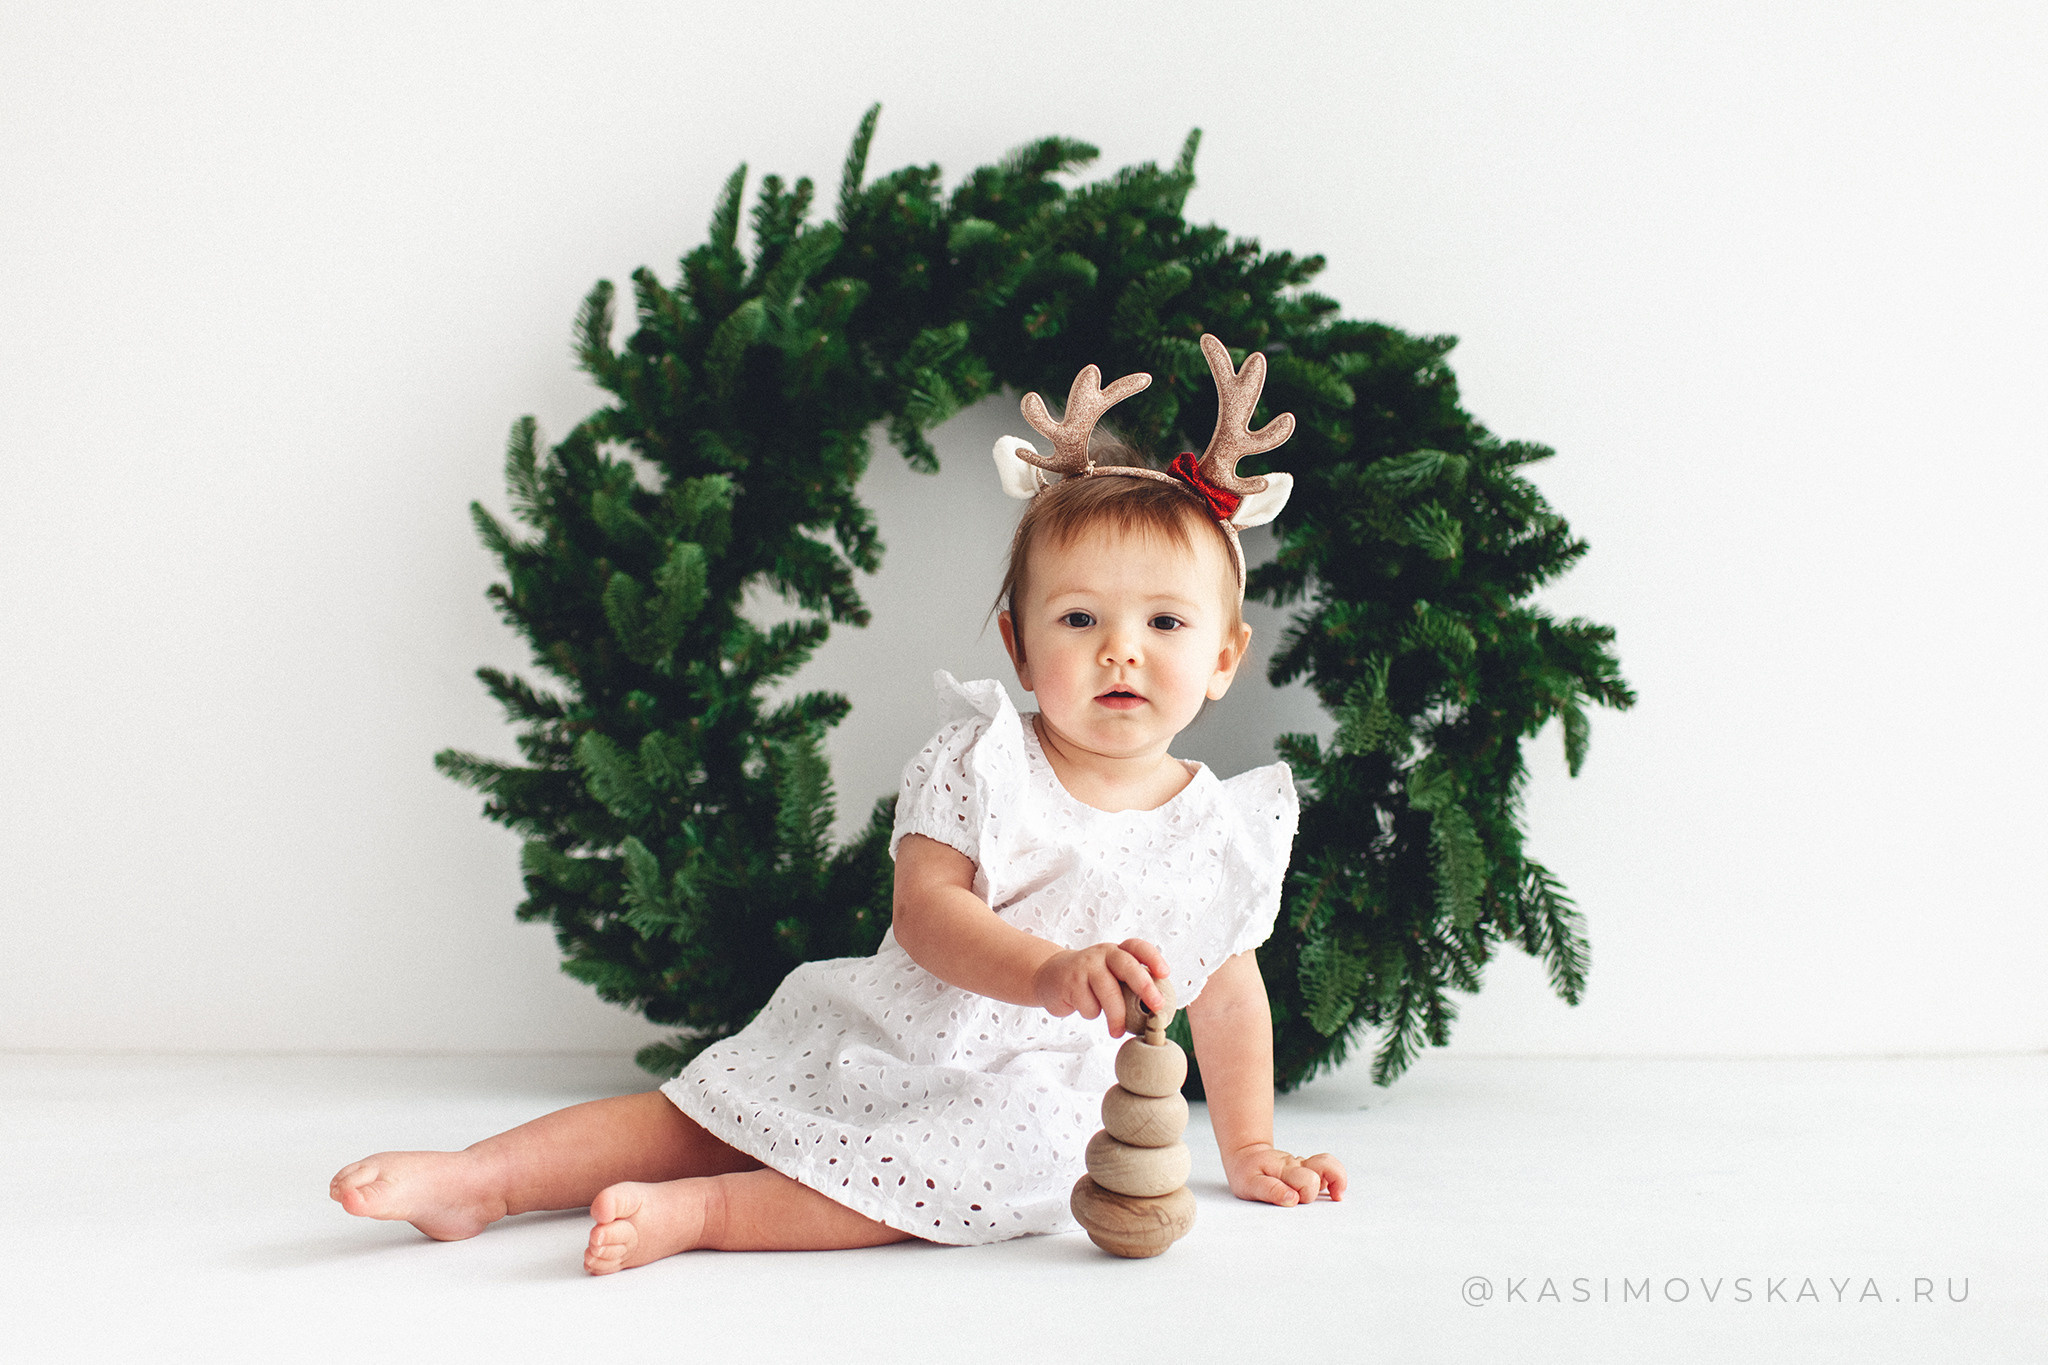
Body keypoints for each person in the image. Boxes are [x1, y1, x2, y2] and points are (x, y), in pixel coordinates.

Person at [330, 335, 1346, 1274]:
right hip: (901, 1027)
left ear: (1220, 660)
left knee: (931, 1180)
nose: (1119, 648)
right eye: (1078, 617)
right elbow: (927, 913)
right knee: (702, 1111)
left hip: (1024, 1099)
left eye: (1163, 621)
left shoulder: (1219, 831)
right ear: (1019, 648)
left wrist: (1248, 1144)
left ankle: (707, 1218)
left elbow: (1225, 990)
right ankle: (482, 1180)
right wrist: (1049, 970)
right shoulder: (981, 760)